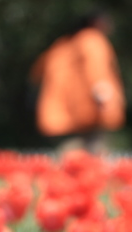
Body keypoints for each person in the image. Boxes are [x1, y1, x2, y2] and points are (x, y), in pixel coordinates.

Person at [30, 11, 125, 151]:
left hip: (66, 112)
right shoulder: (92, 40)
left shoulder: (64, 45)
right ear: (97, 23)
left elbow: (37, 72)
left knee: (71, 151)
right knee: (94, 150)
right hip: (92, 109)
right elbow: (96, 69)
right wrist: (104, 95)